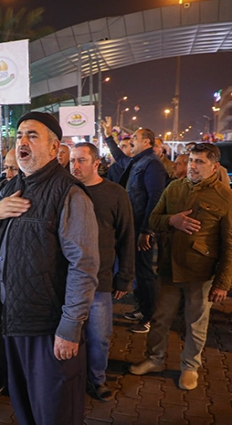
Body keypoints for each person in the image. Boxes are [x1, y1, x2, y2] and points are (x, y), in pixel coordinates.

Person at [0, 112, 99, 425]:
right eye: (19, 135)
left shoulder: (69, 193)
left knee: (55, 411)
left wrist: (70, 327)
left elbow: (84, 265)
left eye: (32, 135)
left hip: (48, 327)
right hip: (12, 320)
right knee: (25, 408)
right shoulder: (11, 187)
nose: (22, 141)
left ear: (54, 147)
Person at [130, 143, 232, 391]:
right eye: (191, 160)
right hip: (169, 268)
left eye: (200, 162)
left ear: (214, 167)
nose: (193, 166)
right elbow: (154, 219)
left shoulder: (227, 197)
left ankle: (190, 367)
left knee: (195, 323)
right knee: (160, 318)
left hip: (200, 272)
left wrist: (222, 283)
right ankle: (154, 359)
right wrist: (172, 220)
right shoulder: (174, 187)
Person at [70, 143, 135, 402]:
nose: (75, 166)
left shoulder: (115, 193)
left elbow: (126, 237)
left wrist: (124, 276)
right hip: (68, 280)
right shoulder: (65, 190)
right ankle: (72, 380)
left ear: (96, 163)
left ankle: (97, 379)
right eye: (72, 160)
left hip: (101, 281)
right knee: (70, 335)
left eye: (81, 160)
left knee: (99, 337)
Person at [120, 128, 167, 334]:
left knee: (145, 272)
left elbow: (155, 197)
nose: (131, 141)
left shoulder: (152, 164)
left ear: (147, 141)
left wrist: (147, 229)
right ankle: (142, 308)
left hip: (142, 226)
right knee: (138, 270)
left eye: (135, 138)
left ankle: (150, 317)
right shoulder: (138, 161)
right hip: (134, 224)